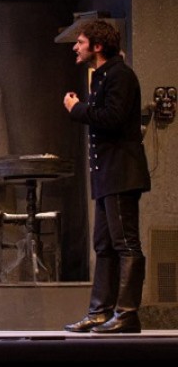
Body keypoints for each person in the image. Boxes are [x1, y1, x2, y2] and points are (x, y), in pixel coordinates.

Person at [62, 19, 151, 334]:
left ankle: (127, 314)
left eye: (80, 42)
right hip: (107, 175)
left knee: (125, 243)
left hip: (121, 172)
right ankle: (100, 312)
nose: (76, 47)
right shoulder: (102, 76)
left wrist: (76, 109)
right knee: (104, 244)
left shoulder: (120, 75)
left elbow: (112, 118)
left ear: (97, 46)